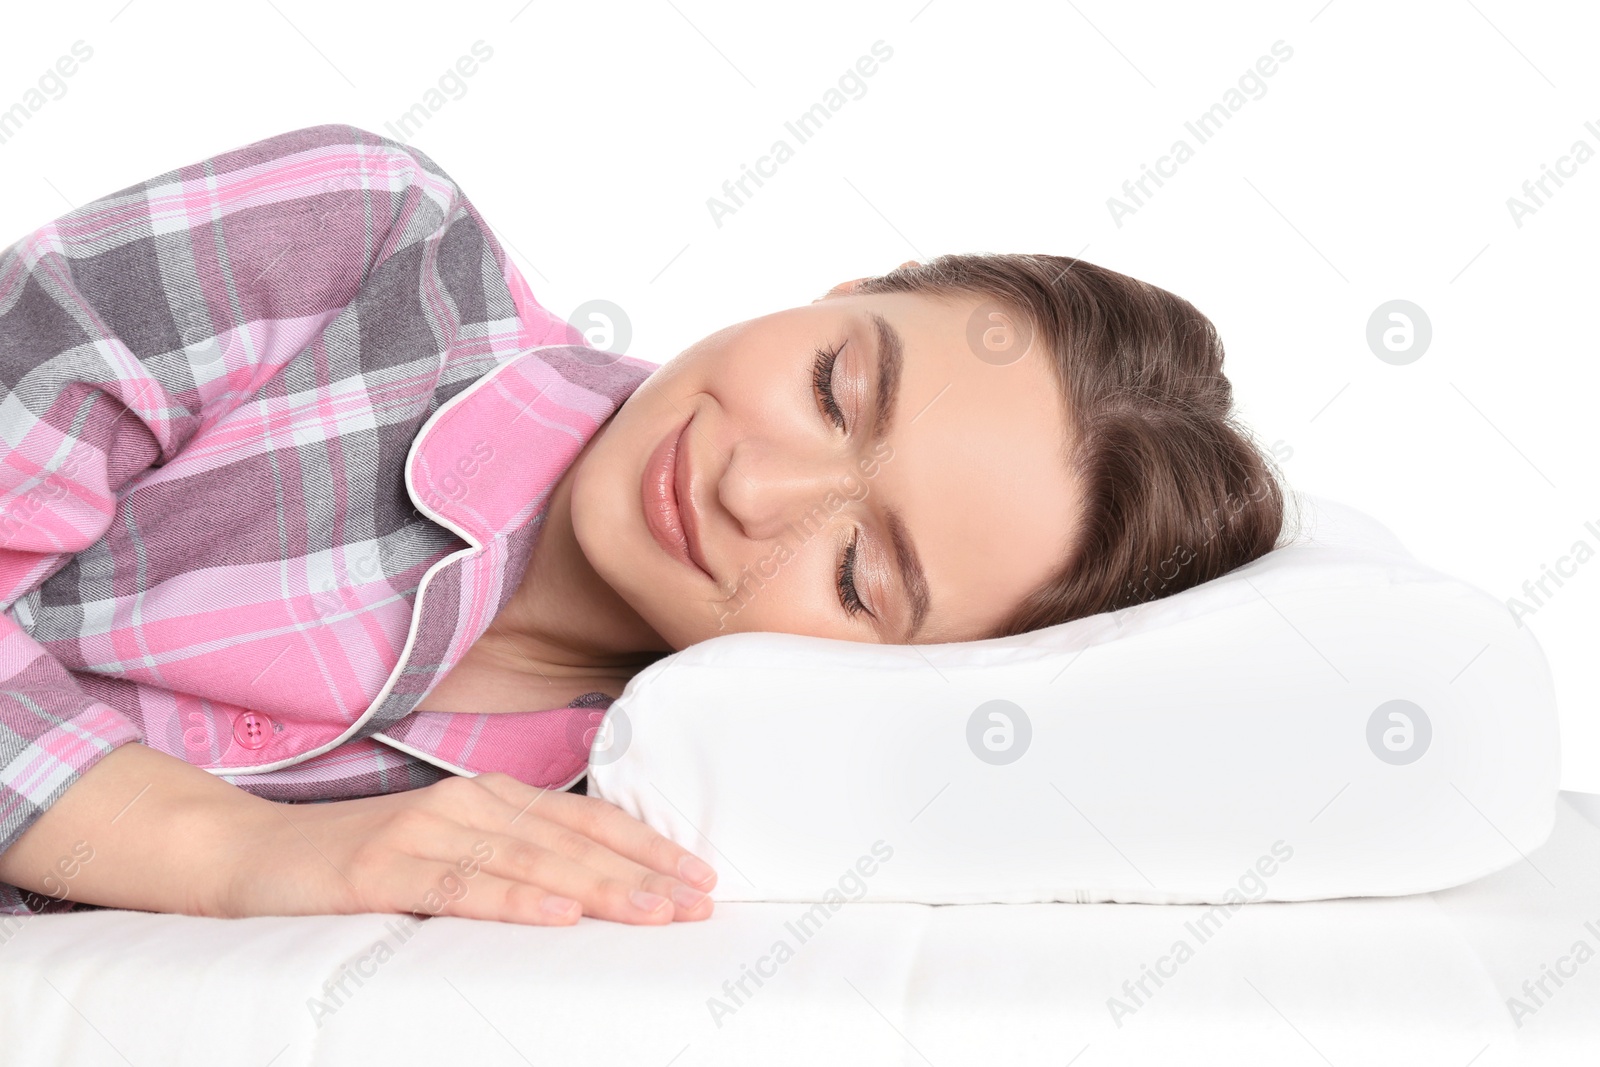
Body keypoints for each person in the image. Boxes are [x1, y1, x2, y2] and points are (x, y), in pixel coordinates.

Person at [0, 125, 1284, 928]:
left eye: (857, 572)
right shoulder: (359, 246)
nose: (755, 491)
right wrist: (230, 849)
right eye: (833, 386)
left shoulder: (616, 816)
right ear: (844, 291)